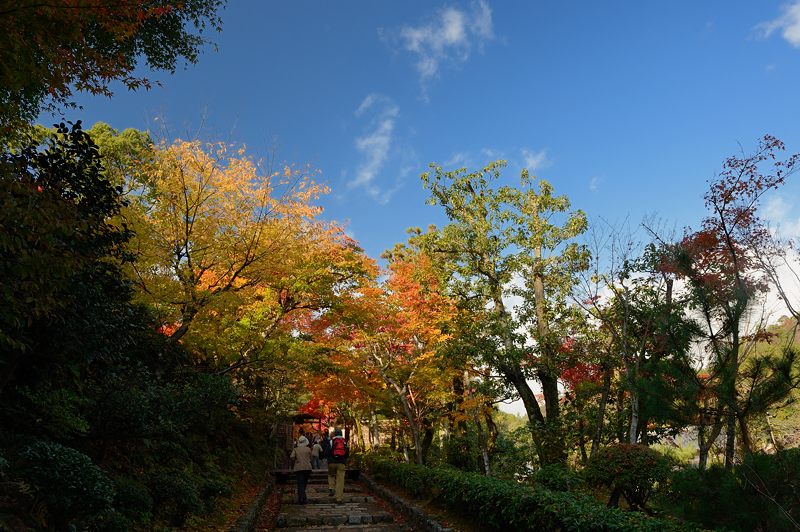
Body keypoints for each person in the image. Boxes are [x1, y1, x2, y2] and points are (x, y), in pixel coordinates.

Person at [327, 428, 348, 503]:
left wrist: (329, 459)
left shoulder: (331, 441)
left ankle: (331, 488)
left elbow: (327, 452)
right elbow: (347, 453)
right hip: (341, 463)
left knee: (331, 475)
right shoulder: (344, 442)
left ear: (335, 434)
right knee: (340, 480)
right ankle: (339, 498)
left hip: (332, 462)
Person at [290, 435, 312, 504]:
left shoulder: (296, 449)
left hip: (298, 468)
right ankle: (303, 497)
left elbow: (292, 457)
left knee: (300, 483)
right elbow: (310, 457)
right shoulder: (308, 449)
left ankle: (301, 498)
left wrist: (296, 461)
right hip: (307, 468)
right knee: (304, 483)